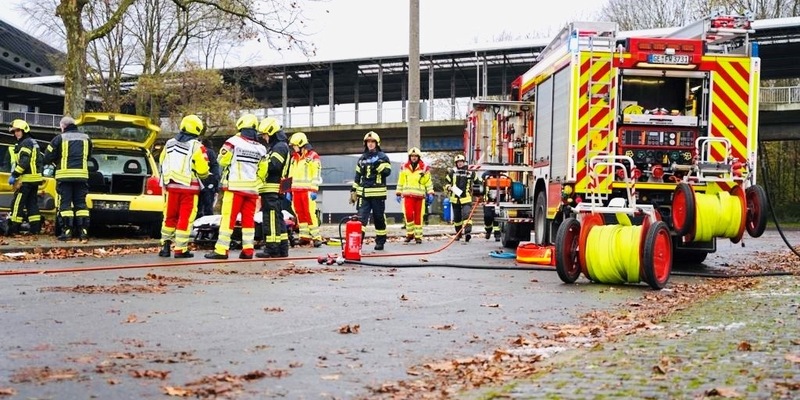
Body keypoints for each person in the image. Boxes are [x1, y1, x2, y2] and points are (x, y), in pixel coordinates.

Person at [204, 114, 267, 260]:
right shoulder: (261, 148)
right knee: (248, 221)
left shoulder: (232, 142)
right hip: (251, 190)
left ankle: (221, 250)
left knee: (228, 219)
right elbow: (263, 171)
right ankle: (248, 250)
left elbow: (222, 161)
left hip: (234, 188)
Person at [157, 115, 210, 258]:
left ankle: (165, 247)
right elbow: (203, 169)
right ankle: (180, 250)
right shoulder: (196, 146)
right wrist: (206, 179)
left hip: (171, 187)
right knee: (185, 218)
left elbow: (162, 161)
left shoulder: (169, 143)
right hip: (189, 189)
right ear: (197, 129)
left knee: (169, 217)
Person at [44, 115, 92, 242]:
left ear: (63, 126)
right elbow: (89, 156)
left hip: (64, 177)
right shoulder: (87, 138)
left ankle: (67, 231)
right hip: (82, 177)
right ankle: (83, 231)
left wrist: (57, 162)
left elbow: (47, 157)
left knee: (65, 204)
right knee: (81, 205)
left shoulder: (59, 138)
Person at [255, 117, 291, 258]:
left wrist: (261, 163)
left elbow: (274, 165)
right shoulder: (279, 146)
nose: (264, 138)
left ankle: (272, 248)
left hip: (272, 188)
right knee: (277, 218)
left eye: (265, 135)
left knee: (270, 219)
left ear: (271, 132)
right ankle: (282, 248)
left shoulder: (279, 147)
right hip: (274, 189)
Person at [350, 131, 391, 251]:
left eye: (373, 142)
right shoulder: (362, 159)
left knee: (379, 218)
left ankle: (380, 241)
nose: (370, 144)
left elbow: (387, 171)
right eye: (368, 142)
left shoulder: (383, 157)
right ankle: (358, 243)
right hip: (363, 195)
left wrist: (378, 166)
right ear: (365, 143)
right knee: (360, 220)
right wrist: (353, 190)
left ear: (377, 143)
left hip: (378, 195)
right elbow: (357, 176)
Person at [287, 131, 324, 248]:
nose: (293, 147)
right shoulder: (294, 158)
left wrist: (314, 189)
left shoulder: (313, 157)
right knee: (299, 214)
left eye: (294, 145)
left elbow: (316, 174)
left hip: (307, 191)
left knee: (309, 214)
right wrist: (288, 190)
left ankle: (316, 237)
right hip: (296, 191)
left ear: (301, 144)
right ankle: (304, 237)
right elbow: (290, 175)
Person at [7, 119, 44, 235]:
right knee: (31, 203)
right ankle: (35, 228)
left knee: (17, 203)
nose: (15, 134)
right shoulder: (32, 142)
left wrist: (14, 175)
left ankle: (14, 228)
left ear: (24, 130)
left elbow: (24, 162)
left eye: (18, 130)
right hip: (34, 179)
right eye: (14, 132)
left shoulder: (25, 143)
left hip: (26, 179)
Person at [395, 147, 433, 244]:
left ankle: (418, 236)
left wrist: (430, 192)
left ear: (419, 157)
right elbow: (401, 181)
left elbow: (428, 182)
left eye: (416, 156)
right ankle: (409, 234)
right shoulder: (404, 167)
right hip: (407, 196)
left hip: (420, 197)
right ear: (409, 157)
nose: (414, 158)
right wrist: (398, 193)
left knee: (418, 216)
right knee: (408, 215)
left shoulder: (424, 168)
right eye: (412, 156)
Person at [444, 154, 479, 242]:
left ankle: (467, 233)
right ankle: (458, 234)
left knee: (466, 215)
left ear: (464, 162)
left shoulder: (470, 172)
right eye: (458, 162)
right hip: (455, 199)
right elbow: (446, 183)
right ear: (456, 163)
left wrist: (479, 191)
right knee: (457, 219)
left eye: (461, 162)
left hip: (466, 198)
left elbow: (477, 181)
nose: (460, 163)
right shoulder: (452, 172)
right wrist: (448, 187)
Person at [198, 138, 220, 218]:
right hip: (208, 182)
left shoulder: (195, 150)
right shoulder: (210, 152)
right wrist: (216, 185)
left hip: (196, 182)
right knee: (208, 207)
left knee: (197, 207)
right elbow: (215, 168)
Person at [481, 170, 502, 242]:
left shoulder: (501, 175)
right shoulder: (485, 174)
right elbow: (482, 184)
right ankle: (488, 230)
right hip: (487, 201)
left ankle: (497, 234)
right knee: (487, 216)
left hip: (498, 201)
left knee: (496, 217)